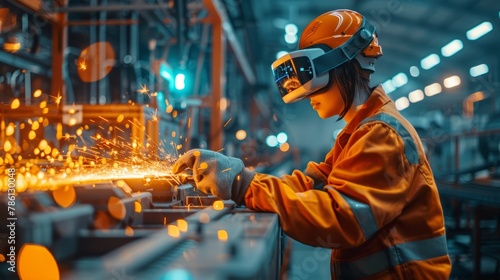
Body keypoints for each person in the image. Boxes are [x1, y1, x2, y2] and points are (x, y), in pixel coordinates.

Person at [172, 9, 451, 279]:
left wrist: (243, 186)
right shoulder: (357, 133)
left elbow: (341, 218)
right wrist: (240, 177)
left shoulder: (382, 134)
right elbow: (309, 184)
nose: (307, 95)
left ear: (341, 64)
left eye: (310, 77)